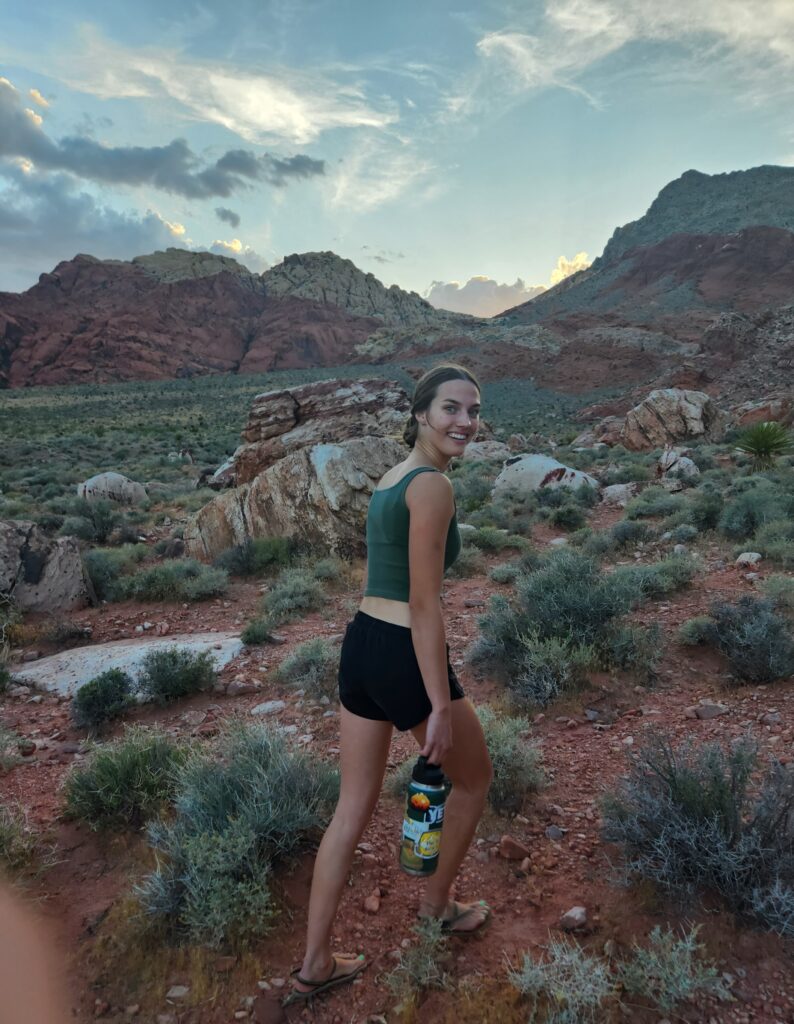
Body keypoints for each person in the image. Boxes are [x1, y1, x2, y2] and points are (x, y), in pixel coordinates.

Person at [285, 364, 494, 1006]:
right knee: (475, 776)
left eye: (474, 411)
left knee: (352, 806)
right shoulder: (431, 487)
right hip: (404, 649)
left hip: (362, 645)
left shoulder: (390, 479)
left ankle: (316, 961)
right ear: (421, 415)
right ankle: (436, 906)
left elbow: (389, 581)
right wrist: (437, 704)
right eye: (451, 409)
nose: (465, 422)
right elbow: (426, 605)